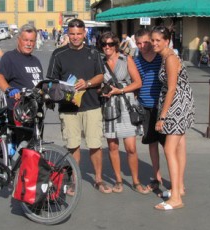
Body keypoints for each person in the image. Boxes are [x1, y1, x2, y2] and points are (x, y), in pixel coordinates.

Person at [46, 19, 112, 194]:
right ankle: (75, 180)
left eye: (79, 34)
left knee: (95, 144)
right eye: (72, 34)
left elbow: (100, 76)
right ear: (68, 34)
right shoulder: (58, 54)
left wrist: (87, 83)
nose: (75, 37)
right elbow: (51, 81)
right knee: (73, 145)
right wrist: (63, 89)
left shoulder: (93, 52)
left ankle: (98, 179)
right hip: (68, 108)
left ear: (84, 34)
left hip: (92, 106)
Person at [151, 26, 195, 211]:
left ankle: (176, 198)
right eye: (152, 40)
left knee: (169, 149)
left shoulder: (169, 58)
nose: (154, 43)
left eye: (157, 40)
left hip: (176, 106)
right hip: (181, 103)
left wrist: (162, 116)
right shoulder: (167, 56)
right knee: (178, 146)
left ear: (167, 41)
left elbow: (171, 88)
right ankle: (179, 188)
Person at [100, 31, 148, 194]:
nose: (107, 47)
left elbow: (138, 83)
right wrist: (104, 91)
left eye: (110, 44)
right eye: (104, 44)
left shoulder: (126, 59)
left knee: (131, 148)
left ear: (115, 45)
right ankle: (118, 181)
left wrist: (119, 91)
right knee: (112, 146)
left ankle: (136, 181)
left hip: (126, 103)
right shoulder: (100, 62)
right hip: (109, 105)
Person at [134, 28, 166, 192]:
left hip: (162, 107)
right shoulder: (136, 60)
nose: (142, 46)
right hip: (145, 106)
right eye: (139, 43)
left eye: (146, 42)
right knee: (152, 144)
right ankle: (157, 177)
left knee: (168, 146)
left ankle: (175, 179)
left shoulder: (162, 57)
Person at [0, 24, 43, 125]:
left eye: (32, 41)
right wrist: (9, 89)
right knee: (14, 140)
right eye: (26, 40)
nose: (29, 44)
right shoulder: (10, 57)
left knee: (36, 140)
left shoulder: (36, 61)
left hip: (35, 111)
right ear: (18, 39)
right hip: (18, 112)